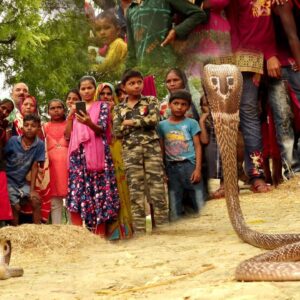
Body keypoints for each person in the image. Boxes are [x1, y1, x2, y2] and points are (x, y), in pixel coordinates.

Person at [227, 0, 300, 191]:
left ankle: (290, 171)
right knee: (258, 115)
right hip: (254, 60)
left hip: (278, 59)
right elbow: (239, 27)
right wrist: (262, 57)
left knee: (284, 117)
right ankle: (266, 173)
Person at [113, 70, 169, 233]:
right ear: (124, 87)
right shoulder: (119, 108)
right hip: (130, 154)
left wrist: (131, 122)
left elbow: (154, 119)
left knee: (157, 190)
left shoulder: (151, 100)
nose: (136, 86)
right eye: (131, 83)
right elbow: (117, 130)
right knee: (136, 193)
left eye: (139, 82)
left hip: (151, 150)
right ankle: (139, 232)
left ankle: (162, 230)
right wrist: (138, 123)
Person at [65, 76, 120, 237]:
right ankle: (78, 235)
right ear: (79, 91)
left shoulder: (102, 106)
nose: (86, 91)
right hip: (78, 157)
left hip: (97, 155)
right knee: (77, 192)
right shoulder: (76, 109)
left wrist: (88, 122)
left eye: (89, 88)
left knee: (99, 193)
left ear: (94, 89)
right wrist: (70, 115)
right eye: (83, 88)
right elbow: (68, 135)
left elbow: (102, 129)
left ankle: (100, 235)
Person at [158, 90, 205, 220]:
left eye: (183, 104)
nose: (179, 107)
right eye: (176, 103)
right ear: (169, 104)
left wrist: (197, 169)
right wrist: (163, 170)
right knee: (174, 204)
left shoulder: (191, 123)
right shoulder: (162, 125)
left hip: (189, 166)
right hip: (171, 168)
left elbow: (197, 146)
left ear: (188, 106)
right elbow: (161, 149)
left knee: (197, 202)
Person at [96, 83, 133, 239]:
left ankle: (128, 231)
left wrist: (113, 113)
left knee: (123, 188)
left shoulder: (121, 111)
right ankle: (111, 233)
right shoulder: (95, 113)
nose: (105, 96)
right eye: (102, 94)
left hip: (119, 151)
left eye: (108, 93)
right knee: (108, 191)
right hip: (101, 153)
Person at [126, 0, 208, 68]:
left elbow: (198, 14)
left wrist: (176, 31)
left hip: (166, 63)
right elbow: (131, 50)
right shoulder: (131, 9)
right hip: (144, 68)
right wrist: (128, 73)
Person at [5, 114, 45, 226]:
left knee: (36, 201)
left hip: (21, 182)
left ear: (38, 128)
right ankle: (16, 235)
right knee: (16, 207)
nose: (29, 128)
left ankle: (38, 232)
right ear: (22, 128)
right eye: (26, 125)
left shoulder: (40, 144)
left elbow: (34, 166)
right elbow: (3, 157)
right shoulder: (13, 141)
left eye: (33, 125)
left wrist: (32, 190)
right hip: (8, 180)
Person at [43, 99, 69, 224]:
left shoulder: (70, 124)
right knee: (54, 203)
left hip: (69, 168)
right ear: (48, 111)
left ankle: (74, 232)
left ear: (64, 109)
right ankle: (56, 231)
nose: (56, 110)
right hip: (52, 169)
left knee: (71, 202)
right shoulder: (44, 127)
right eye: (52, 108)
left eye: (59, 107)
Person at [90, 11, 127, 81]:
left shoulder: (118, 44)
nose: (102, 32)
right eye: (98, 29)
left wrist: (89, 67)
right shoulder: (110, 45)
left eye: (107, 28)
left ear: (118, 30)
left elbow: (105, 67)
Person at [0, 99, 14, 227]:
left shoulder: (5, 125)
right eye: (3, 108)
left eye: (8, 111)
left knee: (2, 199)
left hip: (0, 164)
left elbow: (6, 146)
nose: (4, 112)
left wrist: (4, 129)